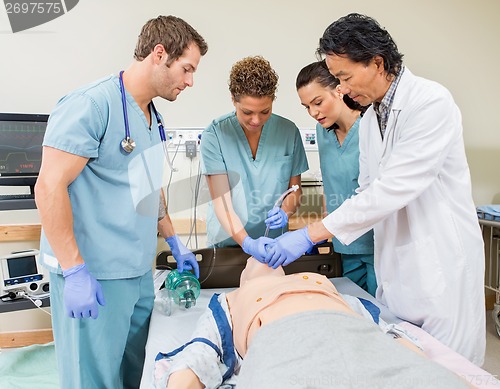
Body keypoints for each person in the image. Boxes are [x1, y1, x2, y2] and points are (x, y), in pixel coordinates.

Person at [264, 13, 485, 365]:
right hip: (397, 269)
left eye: (345, 77)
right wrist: (315, 232)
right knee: (405, 367)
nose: (343, 89)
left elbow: (392, 190)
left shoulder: (430, 103)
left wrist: (309, 234)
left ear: (377, 63)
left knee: (447, 371)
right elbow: (365, 193)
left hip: (440, 267)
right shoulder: (370, 121)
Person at [34, 15, 207, 388]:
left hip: (135, 271)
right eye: (187, 69)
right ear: (159, 54)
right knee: (92, 379)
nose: (190, 81)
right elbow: (48, 187)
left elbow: (149, 185)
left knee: (131, 375)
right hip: (92, 272)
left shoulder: (152, 118)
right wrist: (75, 270)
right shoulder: (91, 105)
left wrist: (174, 239)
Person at [154, 258, 473, 389]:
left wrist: (428, 370)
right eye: (251, 260)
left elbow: (385, 337)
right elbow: (200, 355)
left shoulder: (322, 283)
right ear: (242, 278)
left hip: (351, 334)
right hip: (284, 342)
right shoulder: (228, 300)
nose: (261, 260)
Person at [200, 56, 308, 261]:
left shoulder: (288, 132)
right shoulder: (215, 135)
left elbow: (295, 191)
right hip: (228, 245)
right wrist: (247, 243)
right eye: (247, 112)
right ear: (233, 99)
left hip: (274, 246)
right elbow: (222, 203)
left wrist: (285, 211)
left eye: (265, 111)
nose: (256, 120)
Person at [295, 60, 376, 296]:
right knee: (353, 310)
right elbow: (329, 180)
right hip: (342, 243)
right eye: (306, 107)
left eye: (318, 102)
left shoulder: (371, 128)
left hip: (376, 244)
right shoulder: (323, 131)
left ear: (339, 90)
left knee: (383, 316)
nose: (313, 113)